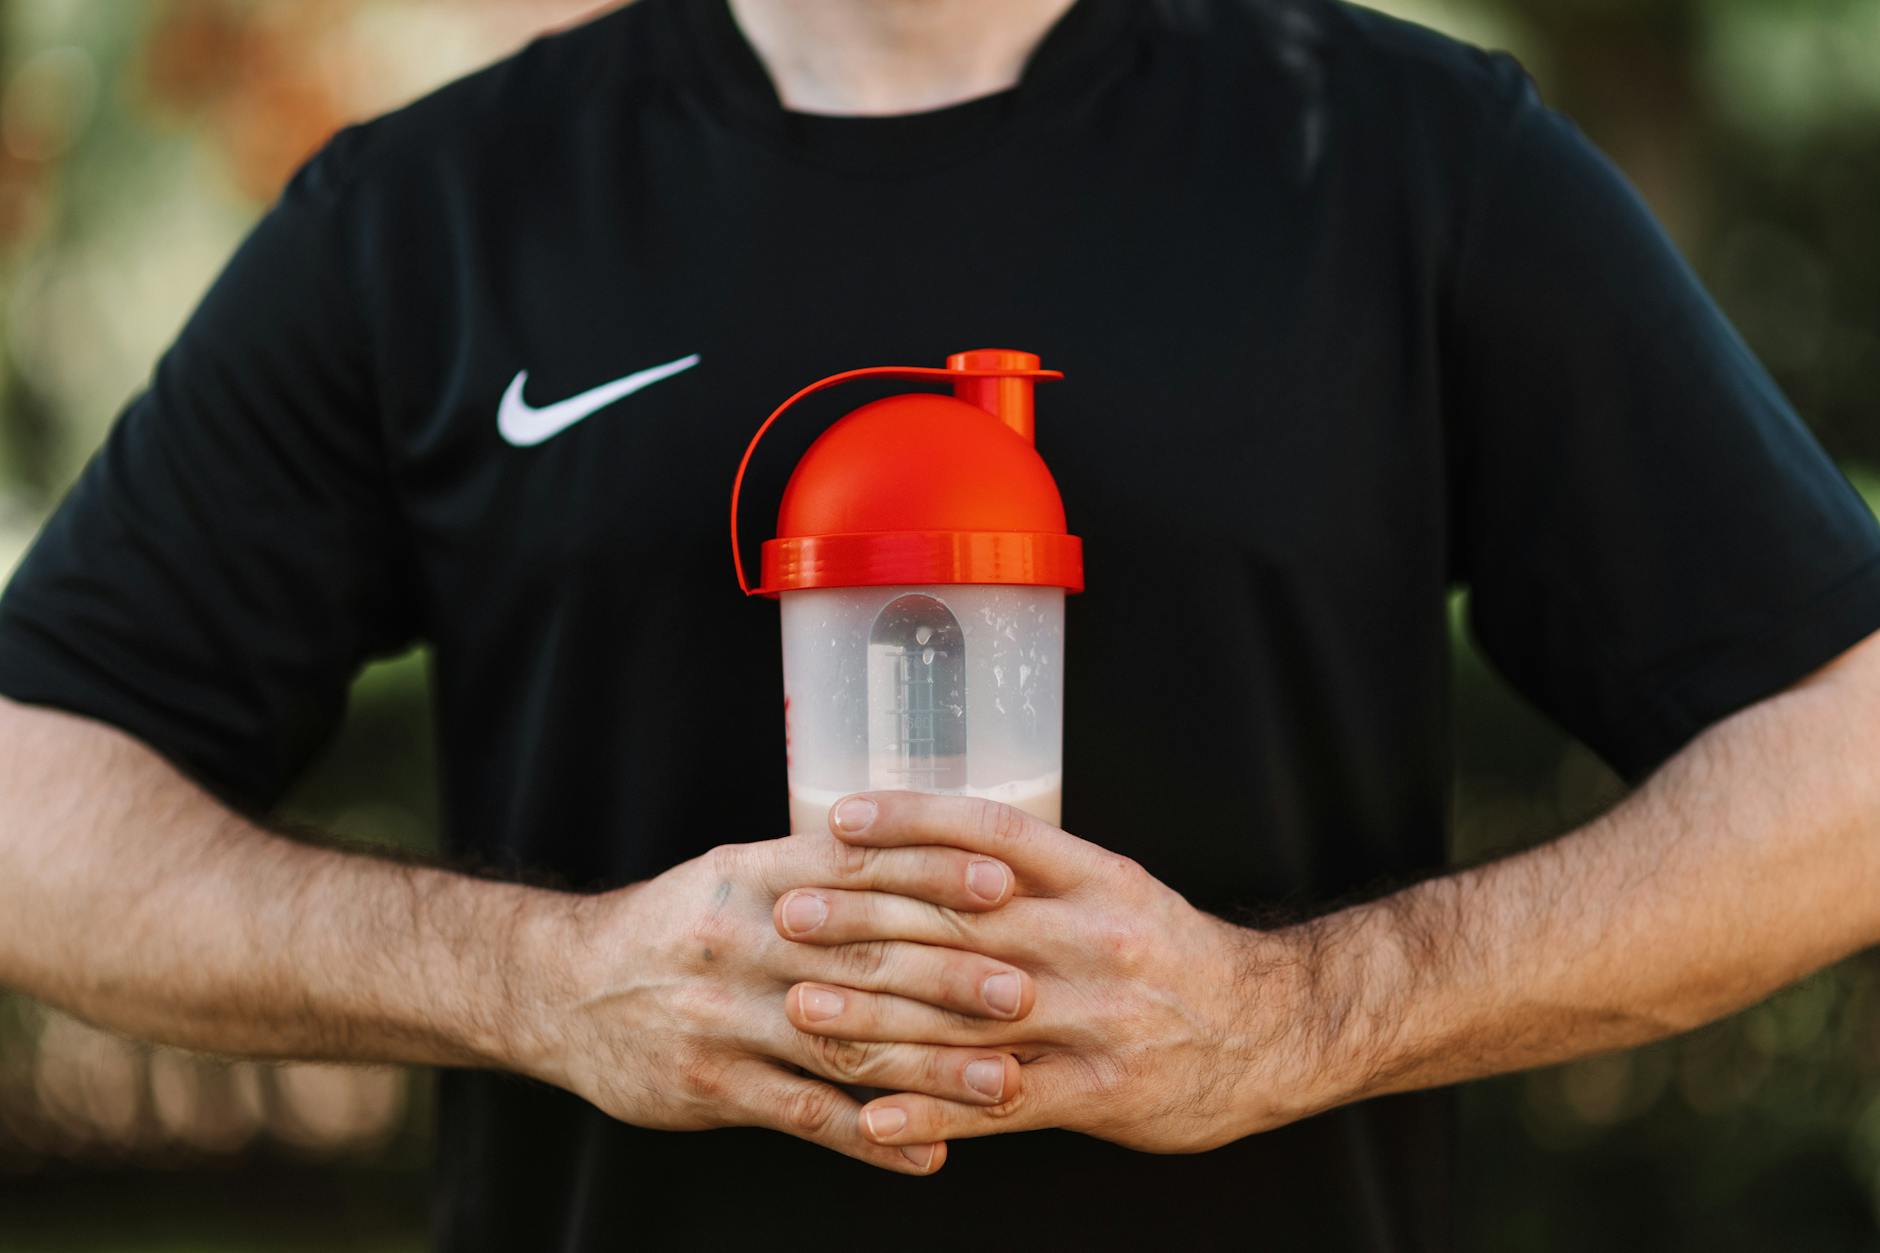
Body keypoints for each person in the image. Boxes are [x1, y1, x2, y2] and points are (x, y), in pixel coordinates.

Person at [1, 0, 1876, 1247]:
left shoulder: (1399, 159)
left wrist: (1298, 1018)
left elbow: (1848, 760)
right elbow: (33, 813)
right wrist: (541, 983)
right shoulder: (432, 214)